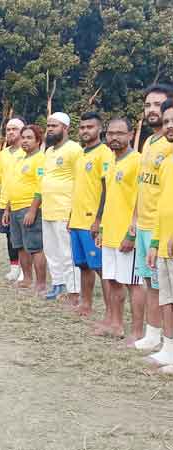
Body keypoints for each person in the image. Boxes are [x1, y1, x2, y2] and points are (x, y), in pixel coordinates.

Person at [133, 84, 173, 351]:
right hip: (145, 223)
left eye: (157, 105)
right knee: (149, 280)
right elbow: (142, 184)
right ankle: (152, 333)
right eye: (147, 105)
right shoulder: (148, 141)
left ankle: (165, 341)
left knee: (163, 286)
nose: (152, 110)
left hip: (162, 225)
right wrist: (135, 218)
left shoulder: (169, 147)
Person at [96, 118, 144, 339]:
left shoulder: (137, 161)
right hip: (110, 233)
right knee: (114, 280)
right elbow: (110, 198)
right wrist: (103, 228)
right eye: (110, 133)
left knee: (133, 284)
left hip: (127, 234)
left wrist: (131, 233)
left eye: (119, 133)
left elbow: (140, 200)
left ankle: (136, 332)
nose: (114, 137)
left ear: (131, 134)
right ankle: (115, 325)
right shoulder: (112, 161)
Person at [68, 112, 113, 322]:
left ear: (99, 129)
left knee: (101, 268)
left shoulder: (104, 153)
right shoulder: (81, 155)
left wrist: (98, 219)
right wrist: (71, 216)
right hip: (77, 220)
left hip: (91, 221)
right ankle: (85, 304)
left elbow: (106, 189)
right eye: (82, 127)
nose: (85, 131)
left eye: (90, 127)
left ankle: (111, 312)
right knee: (83, 265)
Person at [41, 112, 82, 302]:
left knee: (68, 253)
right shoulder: (48, 151)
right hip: (48, 209)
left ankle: (73, 290)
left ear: (65, 128)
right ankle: (58, 284)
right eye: (48, 126)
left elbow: (81, 181)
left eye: (54, 126)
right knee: (51, 251)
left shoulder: (74, 149)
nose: (49, 129)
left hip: (65, 210)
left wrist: (75, 211)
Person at [2, 125, 47, 295]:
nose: (25, 141)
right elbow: (12, 184)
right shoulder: (20, 159)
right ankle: (27, 279)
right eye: (23, 138)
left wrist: (33, 210)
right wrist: (7, 208)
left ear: (38, 140)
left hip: (29, 208)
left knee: (35, 247)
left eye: (29, 138)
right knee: (20, 246)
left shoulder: (40, 159)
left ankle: (41, 283)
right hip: (15, 208)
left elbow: (41, 186)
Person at [148, 100, 173, 370]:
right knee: (167, 298)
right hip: (164, 244)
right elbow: (161, 206)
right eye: (166, 121)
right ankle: (168, 348)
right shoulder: (166, 162)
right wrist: (155, 242)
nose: (169, 126)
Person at [0, 117, 26, 281]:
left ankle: (25, 270)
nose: (10, 132)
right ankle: (14, 267)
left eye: (14, 129)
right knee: (10, 236)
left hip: (23, 202)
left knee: (24, 237)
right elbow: (0, 178)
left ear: (22, 131)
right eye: (8, 129)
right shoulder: (3, 154)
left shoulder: (28, 152)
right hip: (5, 202)